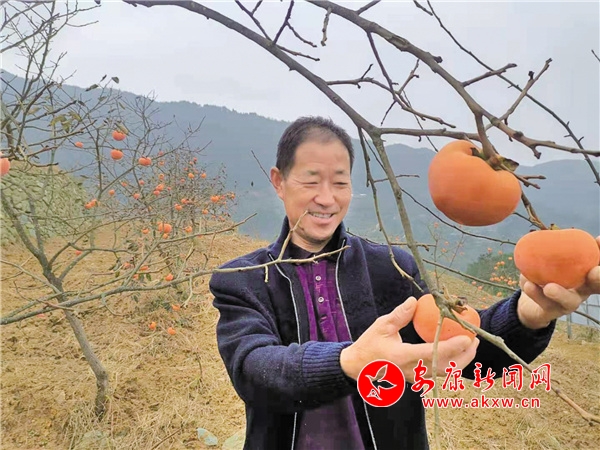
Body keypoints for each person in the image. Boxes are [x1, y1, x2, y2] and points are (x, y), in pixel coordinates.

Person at [209, 116, 600, 450]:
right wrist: (351, 362)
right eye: (311, 181)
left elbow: (460, 345)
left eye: (340, 183)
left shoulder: (391, 268)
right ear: (279, 182)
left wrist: (529, 315)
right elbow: (254, 370)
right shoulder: (244, 280)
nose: (326, 199)